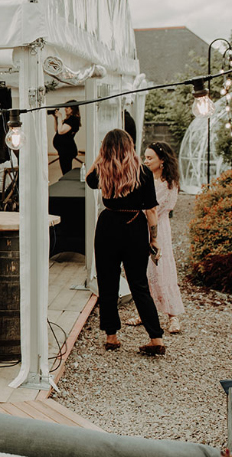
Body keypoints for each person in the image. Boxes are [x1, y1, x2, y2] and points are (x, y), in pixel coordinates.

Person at [86, 129, 165, 355]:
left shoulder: (102, 170)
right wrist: (155, 238)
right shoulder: (144, 172)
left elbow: (89, 179)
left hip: (108, 226)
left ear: (106, 149)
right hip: (135, 226)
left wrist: (100, 156)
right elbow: (150, 209)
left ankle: (111, 336)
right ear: (130, 146)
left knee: (108, 282)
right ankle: (156, 338)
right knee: (139, 284)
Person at [128, 142, 184, 333]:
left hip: (159, 228)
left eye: (150, 158)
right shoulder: (144, 178)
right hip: (140, 227)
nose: (146, 161)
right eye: (145, 157)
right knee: (142, 271)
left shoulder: (169, 184)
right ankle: (144, 313)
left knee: (163, 270)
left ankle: (173, 316)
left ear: (162, 161)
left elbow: (159, 208)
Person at [52, 101, 81, 176]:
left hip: (67, 151)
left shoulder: (73, 120)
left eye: (67, 107)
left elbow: (61, 131)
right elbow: (57, 130)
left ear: (72, 109)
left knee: (66, 172)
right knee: (65, 171)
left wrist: (60, 117)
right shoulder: (68, 120)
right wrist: (56, 118)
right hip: (63, 151)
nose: (65, 109)